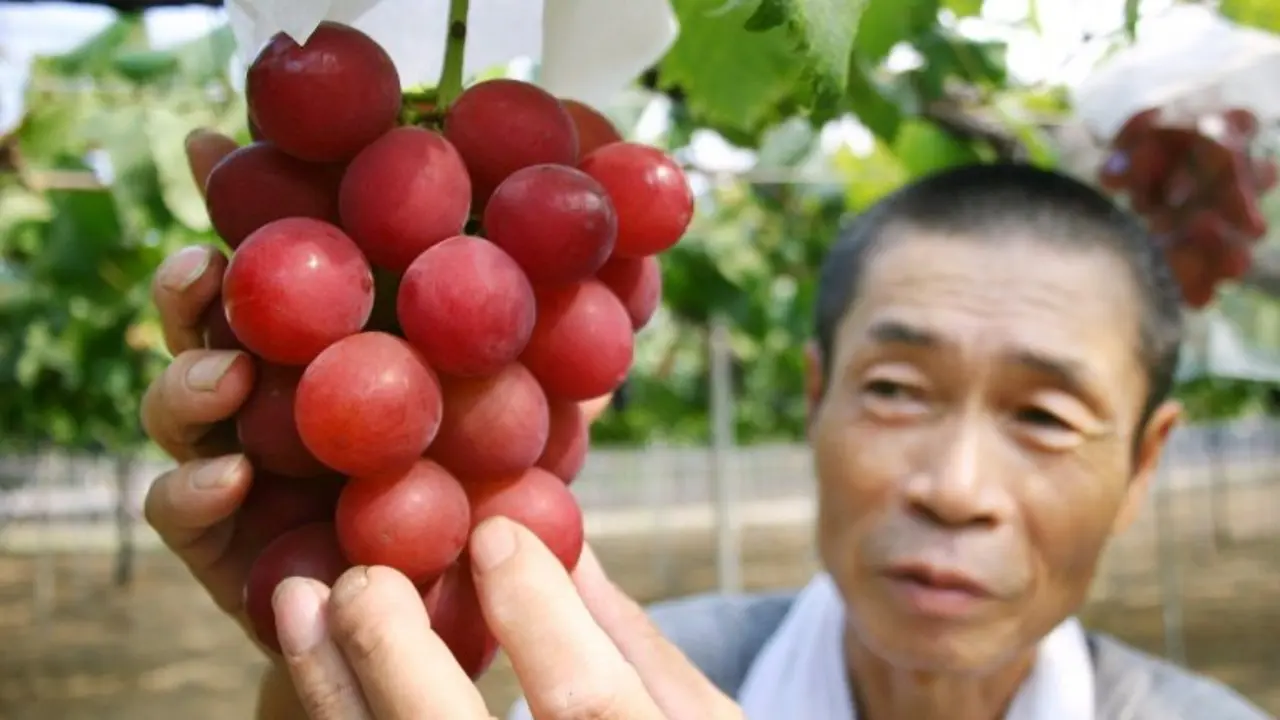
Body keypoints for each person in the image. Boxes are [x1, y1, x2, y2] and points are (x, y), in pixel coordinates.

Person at [139, 131, 1270, 720]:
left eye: (1043, 414)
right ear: (813, 396)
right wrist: (326, 642)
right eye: (893, 391)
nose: (952, 485)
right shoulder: (618, 676)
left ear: (1142, 464)